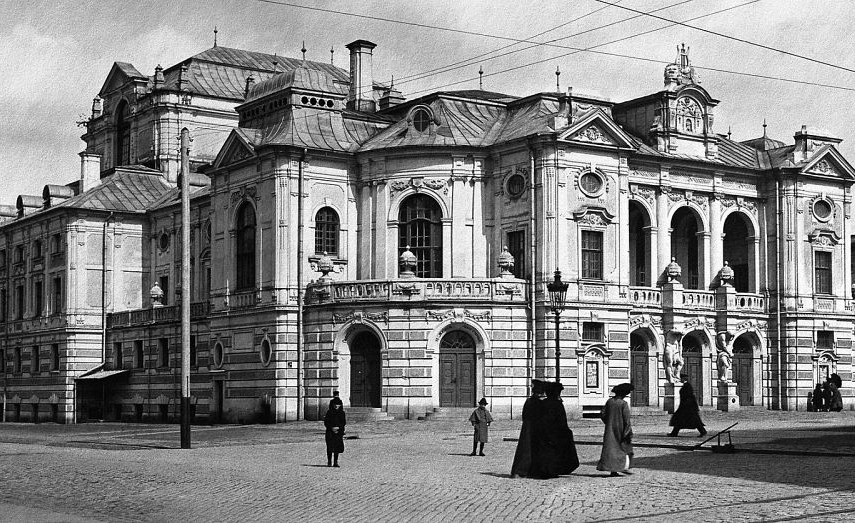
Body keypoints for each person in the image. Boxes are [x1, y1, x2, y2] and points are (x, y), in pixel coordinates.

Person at [536, 381, 579, 478]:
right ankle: (553, 470)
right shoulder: (558, 404)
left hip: (544, 431)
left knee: (546, 451)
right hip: (556, 431)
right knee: (555, 451)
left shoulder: (543, 403)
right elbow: (561, 420)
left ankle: (545, 470)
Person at [597, 383, 634, 477]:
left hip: (610, 429)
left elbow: (602, 414)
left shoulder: (609, 401)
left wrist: (608, 422)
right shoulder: (623, 404)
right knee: (624, 449)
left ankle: (613, 470)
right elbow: (627, 420)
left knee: (611, 449)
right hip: (621, 430)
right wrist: (628, 432)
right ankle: (623, 467)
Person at [511, 379, 546, 478]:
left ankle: (518, 471)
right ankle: (529, 471)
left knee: (524, 449)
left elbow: (524, 415)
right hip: (536, 428)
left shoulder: (529, 401)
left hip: (527, 428)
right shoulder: (540, 403)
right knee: (534, 449)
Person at [324, 395, 346, 467]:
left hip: (338, 432)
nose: (336, 406)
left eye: (338, 404)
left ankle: (335, 462)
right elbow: (326, 422)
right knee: (329, 447)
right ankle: (329, 461)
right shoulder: (329, 412)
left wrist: (339, 429)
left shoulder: (342, 413)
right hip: (330, 432)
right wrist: (331, 428)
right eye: (335, 404)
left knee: (337, 447)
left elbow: (343, 422)